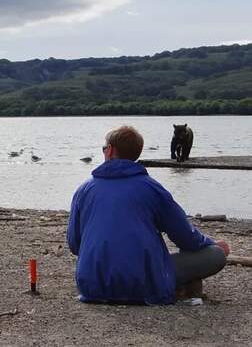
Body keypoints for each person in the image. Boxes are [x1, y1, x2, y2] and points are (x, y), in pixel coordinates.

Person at [67, 125, 229, 305]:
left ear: (111, 150)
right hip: (144, 286)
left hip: (92, 285)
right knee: (216, 254)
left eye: (104, 148)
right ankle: (173, 284)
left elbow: (74, 244)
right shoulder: (151, 188)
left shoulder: (84, 190)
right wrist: (210, 243)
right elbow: (186, 237)